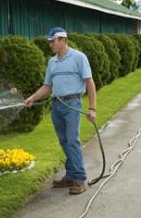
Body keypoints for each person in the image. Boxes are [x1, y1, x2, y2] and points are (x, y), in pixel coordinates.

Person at [24, 27, 96, 194]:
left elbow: (89, 83)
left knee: (72, 140)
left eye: (53, 41)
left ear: (63, 40)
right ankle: (70, 175)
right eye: (50, 41)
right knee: (64, 141)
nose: (50, 44)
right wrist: (32, 98)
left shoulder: (79, 57)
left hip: (73, 104)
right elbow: (47, 86)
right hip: (57, 105)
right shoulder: (52, 62)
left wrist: (92, 108)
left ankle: (79, 179)